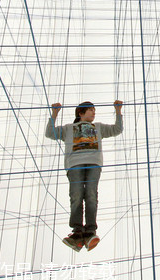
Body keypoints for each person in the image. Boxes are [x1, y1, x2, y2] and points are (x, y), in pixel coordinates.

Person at [46, 100, 124, 251]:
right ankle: (77, 232)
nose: (94, 112)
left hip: (93, 163)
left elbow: (117, 129)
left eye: (94, 110)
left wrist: (118, 111)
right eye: (90, 110)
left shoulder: (99, 127)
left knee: (90, 194)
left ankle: (89, 231)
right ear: (80, 113)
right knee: (76, 195)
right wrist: (54, 114)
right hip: (74, 164)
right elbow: (50, 133)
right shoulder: (69, 129)